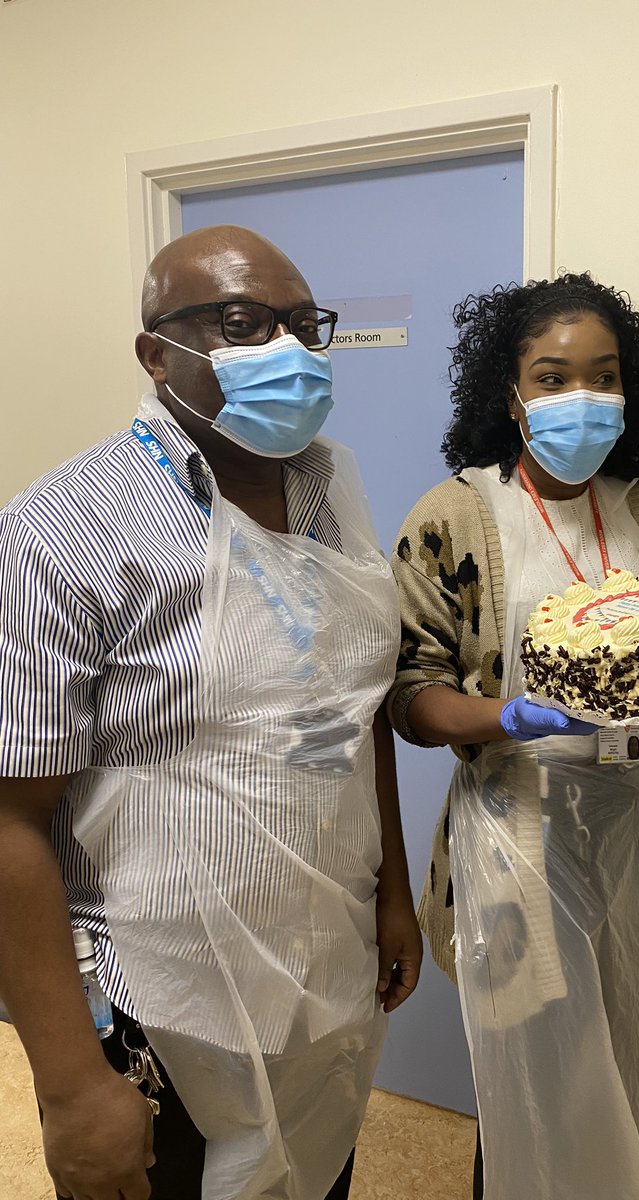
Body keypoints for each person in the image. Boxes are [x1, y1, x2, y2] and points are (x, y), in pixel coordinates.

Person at [0, 225, 422, 1200]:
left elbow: (352, 714)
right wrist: (67, 1087)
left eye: (302, 324)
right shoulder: (64, 531)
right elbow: (11, 819)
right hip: (161, 1004)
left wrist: (391, 891)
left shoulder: (330, 493)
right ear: (157, 353)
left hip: (321, 968)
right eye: (242, 323)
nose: (288, 349)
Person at [387, 274, 639, 1200]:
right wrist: (510, 716)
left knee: (634, 1044)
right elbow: (410, 698)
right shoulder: (452, 518)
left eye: (605, 375)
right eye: (553, 377)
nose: (583, 399)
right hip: (517, 831)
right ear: (512, 395)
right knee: (533, 1077)